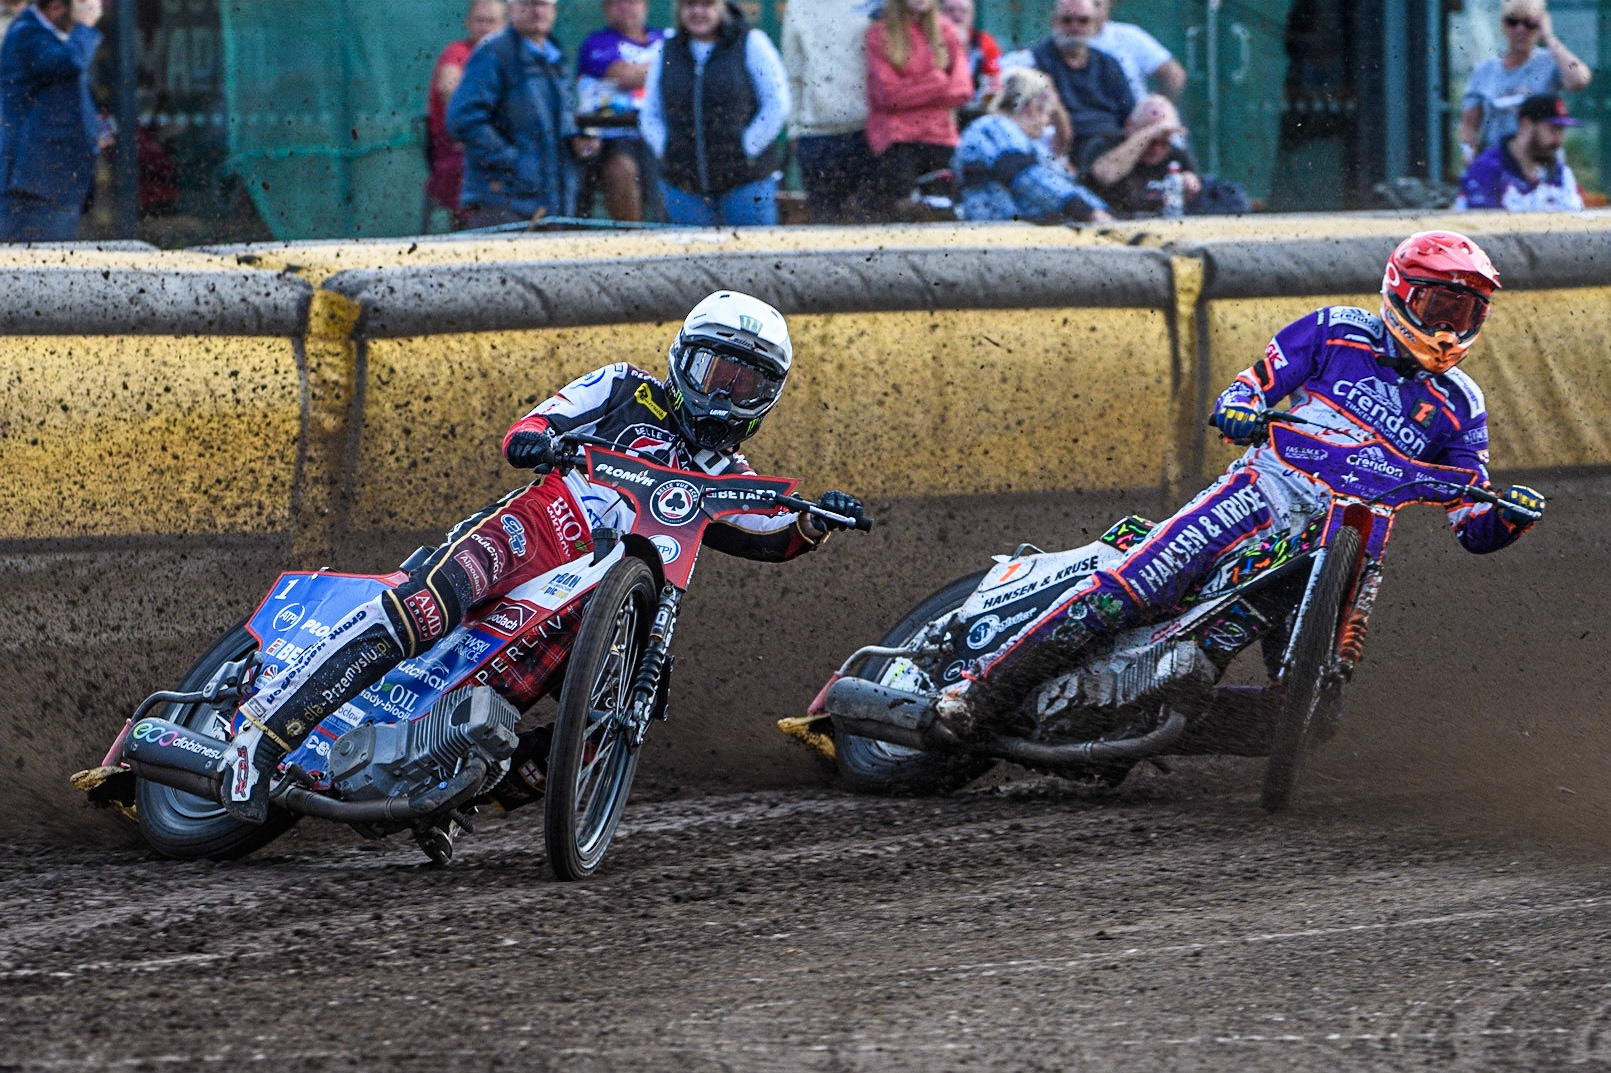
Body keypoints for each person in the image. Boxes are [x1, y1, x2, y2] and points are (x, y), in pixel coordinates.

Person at [216, 291, 866, 823]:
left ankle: (463, 794)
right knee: (427, 603)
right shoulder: (621, 386)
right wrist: (536, 442)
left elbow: (773, 530)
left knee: (602, 714)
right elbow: (536, 424)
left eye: (743, 381)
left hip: (606, 596)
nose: (722, 393)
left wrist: (815, 519)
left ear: (765, 396)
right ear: (680, 360)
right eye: (712, 371)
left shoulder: (729, 472)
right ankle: (261, 735)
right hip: (547, 523)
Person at [938, 231, 1546, 733]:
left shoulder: (1462, 404)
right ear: (1402, 294)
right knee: (1139, 585)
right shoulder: (1336, 331)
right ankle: (979, 690)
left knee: (1313, 720)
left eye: (1464, 313)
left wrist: (1510, 517)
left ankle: (1140, 715)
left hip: (1350, 542)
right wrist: (1238, 408)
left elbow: (1472, 521)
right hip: (1264, 491)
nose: (1449, 326)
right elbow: (1251, 385)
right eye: (1440, 307)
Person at [447, 0, 600, 228]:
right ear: (512, 7)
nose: (538, 11)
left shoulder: (554, 56)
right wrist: (512, 161)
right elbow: (463, 119)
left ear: (554, 10)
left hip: (552, 205)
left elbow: (560, 122)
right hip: (503, 204)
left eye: (544, 4)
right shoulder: (493, 52)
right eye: (529, 3)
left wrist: (579, 143)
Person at [639, 0, 789, 227]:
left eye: (707, 4)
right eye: (690, 5)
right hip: (684, 186)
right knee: (690, 259)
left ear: (722, 7)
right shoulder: (666, 50)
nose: (698, 12)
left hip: (746, 183)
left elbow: (777, 103)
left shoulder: (751, 42)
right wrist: (666, 148)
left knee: (754, 258)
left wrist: (747, 146)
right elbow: (649, 111)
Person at [0, 0, 104, 242]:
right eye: (83, 5)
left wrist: (97, 130)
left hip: (53, 184)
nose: (92, 11)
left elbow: (65, 97)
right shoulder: (27, 34)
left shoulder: (46, 37)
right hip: (35, 188)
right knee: (34, 271)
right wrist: (85, 26)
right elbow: (69, 64)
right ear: (58, 6)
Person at [952, 67, 1108, 223]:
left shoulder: (1012, 136)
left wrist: (1102, 210)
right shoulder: (994, 127)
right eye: (1047, 113)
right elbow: (1029, 179)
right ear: (1033, 107)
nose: (1047, 122)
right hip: (1001, 228)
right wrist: (1088, 212)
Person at [864, 0, 973, 220]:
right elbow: (888, 95)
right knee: (903, 217)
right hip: (898, 142)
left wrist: (912, 89)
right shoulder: (880, 34)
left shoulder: (945, 30)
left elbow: (962, 89)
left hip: (940, 139)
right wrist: (938, 80)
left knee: (942, 216)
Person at [1458, 0, 1590, 162]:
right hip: (1498, 166)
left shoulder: (1550, 62)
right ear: (1503, 26)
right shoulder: (1484, 71)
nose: (1521, 29)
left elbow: (1580, 80)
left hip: (1543, 165)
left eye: (1530, 23)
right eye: (1513, 22)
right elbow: (1469, 126)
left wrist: (1548, 36)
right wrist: (1471, 160)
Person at [781, 0, 874, 224]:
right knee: (827, 226)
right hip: (817, 135)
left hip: (871, 133)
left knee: (874, 227)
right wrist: (794, 129)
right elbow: (792, 74)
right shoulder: (798, 6)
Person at [575, 0, 665, 222]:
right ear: (605, 9)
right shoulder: (597, 43)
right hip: (615, 135)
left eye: (632, 2)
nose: (625, 7)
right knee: (621, 170)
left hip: (662, 132)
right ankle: (632, 241)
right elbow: (624, 76)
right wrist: (669, 69)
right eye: (616, 3)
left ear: (645, 5)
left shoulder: (666, 36)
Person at [425, 0, 508, 229]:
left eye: (491, 21)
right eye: (479, 20)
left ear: (503, 25)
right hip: (456, 146)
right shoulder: (458, 52)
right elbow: (447, 87)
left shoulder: (509, 59)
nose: (484, 27)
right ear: (468, 23)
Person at [1027, 0, 1134, 166]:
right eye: (1067, 20)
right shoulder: (1035, 60)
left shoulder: (1108, 64)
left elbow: (1129, 113)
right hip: (1062, 147)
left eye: (1083, 20)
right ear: (1054, 21)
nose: (1074, 26)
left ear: (1094, 24)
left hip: (1113, 146)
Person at [1455, 93, 1584, 212]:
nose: (1559, 140)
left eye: (1561, 131)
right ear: (1526, 125)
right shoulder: (1486, 169)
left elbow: (1578, 219)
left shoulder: (1560, 172)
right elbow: (1484, 229)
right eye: (1553, 129)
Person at [1077, 93, 1200, 216]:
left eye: (1163, 142)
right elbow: (1105, 176)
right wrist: (1149, 133)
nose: (1157, 149)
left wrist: (1189, 183)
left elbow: (1194, 184)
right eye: (1151, 141)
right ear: (1130, 127)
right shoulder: (1104, 144)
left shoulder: (1174, 154)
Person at [1087, 0, 1184, 102]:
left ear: (1109, 4)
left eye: (1096, 4)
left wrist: (1158, 107)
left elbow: (1173, 73)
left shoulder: (1129, 36)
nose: (1089, 12)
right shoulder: (1069, 40)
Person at [938, 0, 1001, 103]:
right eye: (950, 10)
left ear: (971, 15)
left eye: (963, 11)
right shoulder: (929, 40)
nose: (957, 16)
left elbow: (994, 81)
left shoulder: (985, 42)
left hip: (975, 105)